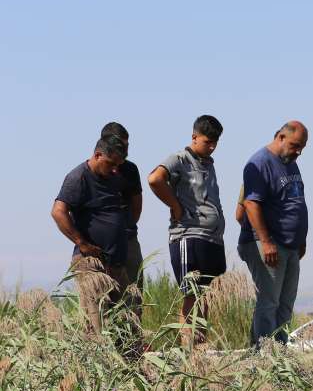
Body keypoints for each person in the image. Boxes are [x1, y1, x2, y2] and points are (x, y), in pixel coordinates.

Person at [146, 114, 227, 346]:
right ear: (194, 137)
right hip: (188, 236)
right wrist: (175, 205)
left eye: (215, 143)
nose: (211, 147)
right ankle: (188, 351)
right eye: (207, 141)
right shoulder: (180, 159)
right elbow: (154, 179)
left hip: (212, 239)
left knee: (206, 297)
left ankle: (199, 348)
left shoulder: (208, 164)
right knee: (192, 295)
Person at [52, 134, 136, 335]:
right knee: (96, 327)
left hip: (116, 263)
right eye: (111, 164)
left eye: (118, 165)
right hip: (91, 264)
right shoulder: (78, 177)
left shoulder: (114, 178)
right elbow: (58, 212)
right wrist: (81, 243)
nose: (115, 169)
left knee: (127, 322)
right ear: (98, 155)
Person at [239, 120, 309, 347]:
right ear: (280, 137)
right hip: (268, 243)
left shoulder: (290, 162)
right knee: (269, 303)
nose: (298, 151)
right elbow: (250, 205)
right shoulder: (260, 163)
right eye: (295, 145)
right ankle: (265, 355)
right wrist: (266, 241)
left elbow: (293, 203)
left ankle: (280, 352)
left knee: (285, 304)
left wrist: (301, 238)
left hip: (291, 246)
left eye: (302, 147)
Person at [99, 122, 144, 310]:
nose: (124, 150)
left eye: (127, 145)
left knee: (133, 297)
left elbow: (136, 206)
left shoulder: (130, 170)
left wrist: (125, 228)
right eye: (120, 145)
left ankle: (133, 339)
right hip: (100, 246)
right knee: (103, 300)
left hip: (128, 240)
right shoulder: (93, 169)